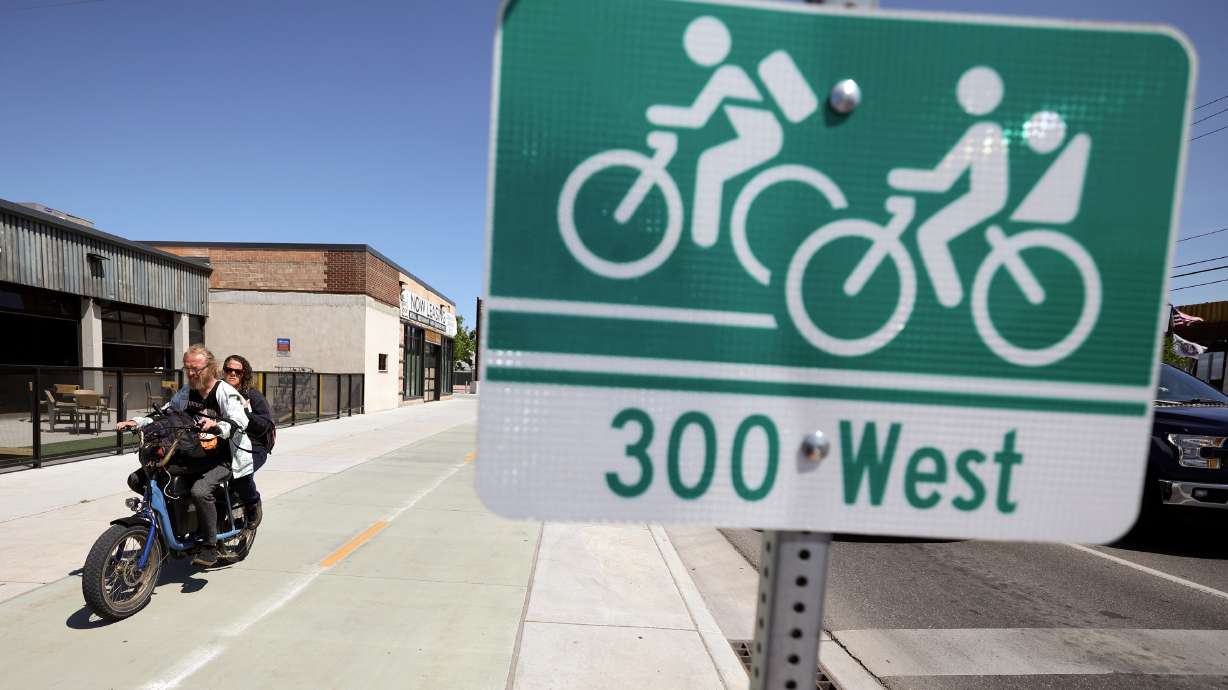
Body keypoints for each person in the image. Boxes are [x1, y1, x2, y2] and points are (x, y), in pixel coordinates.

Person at [117, 344, 252, 566]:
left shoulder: (224, 392)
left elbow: (240, 421)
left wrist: (217, 425)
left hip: (223, 457)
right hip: (191, 455)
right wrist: (136, 423)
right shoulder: (186, 392)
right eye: (187, 368)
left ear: (211, 367)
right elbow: (166, 414)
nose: (191, 373)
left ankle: (209, 546)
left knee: (200, 491)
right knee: (138, 480)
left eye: (196, 369)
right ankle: (176, 526)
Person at [888, 66, 1009, 308]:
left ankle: (950, 298)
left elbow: (944, 179)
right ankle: (951, 296)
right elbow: (945, 178)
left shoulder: (984, 132)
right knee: (931, 231)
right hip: (982, 196)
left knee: (929, 233)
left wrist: (901, 179)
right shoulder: (984, 130)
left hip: (984, 198)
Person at [221, 354, 271, 528]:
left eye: (238, 371)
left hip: (254, 446)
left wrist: (246, 414)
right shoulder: (218, 393)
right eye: (229, 370)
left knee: (241, 475)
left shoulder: (252, 395)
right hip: (227, 443)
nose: (233, 374)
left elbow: (266, 424)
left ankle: (252, 503)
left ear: (244, 374)